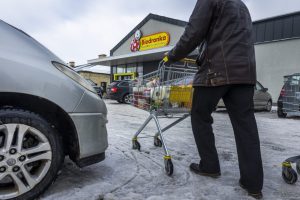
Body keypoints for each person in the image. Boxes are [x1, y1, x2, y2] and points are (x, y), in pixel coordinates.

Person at [164, 0, 263, 199]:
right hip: (245, 73)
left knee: (200, 116)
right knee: (246, 126)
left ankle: (209, 165)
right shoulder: (242, 6)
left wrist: (172, 55)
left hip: (215, 71)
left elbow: (193, 32)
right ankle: (253, 184)